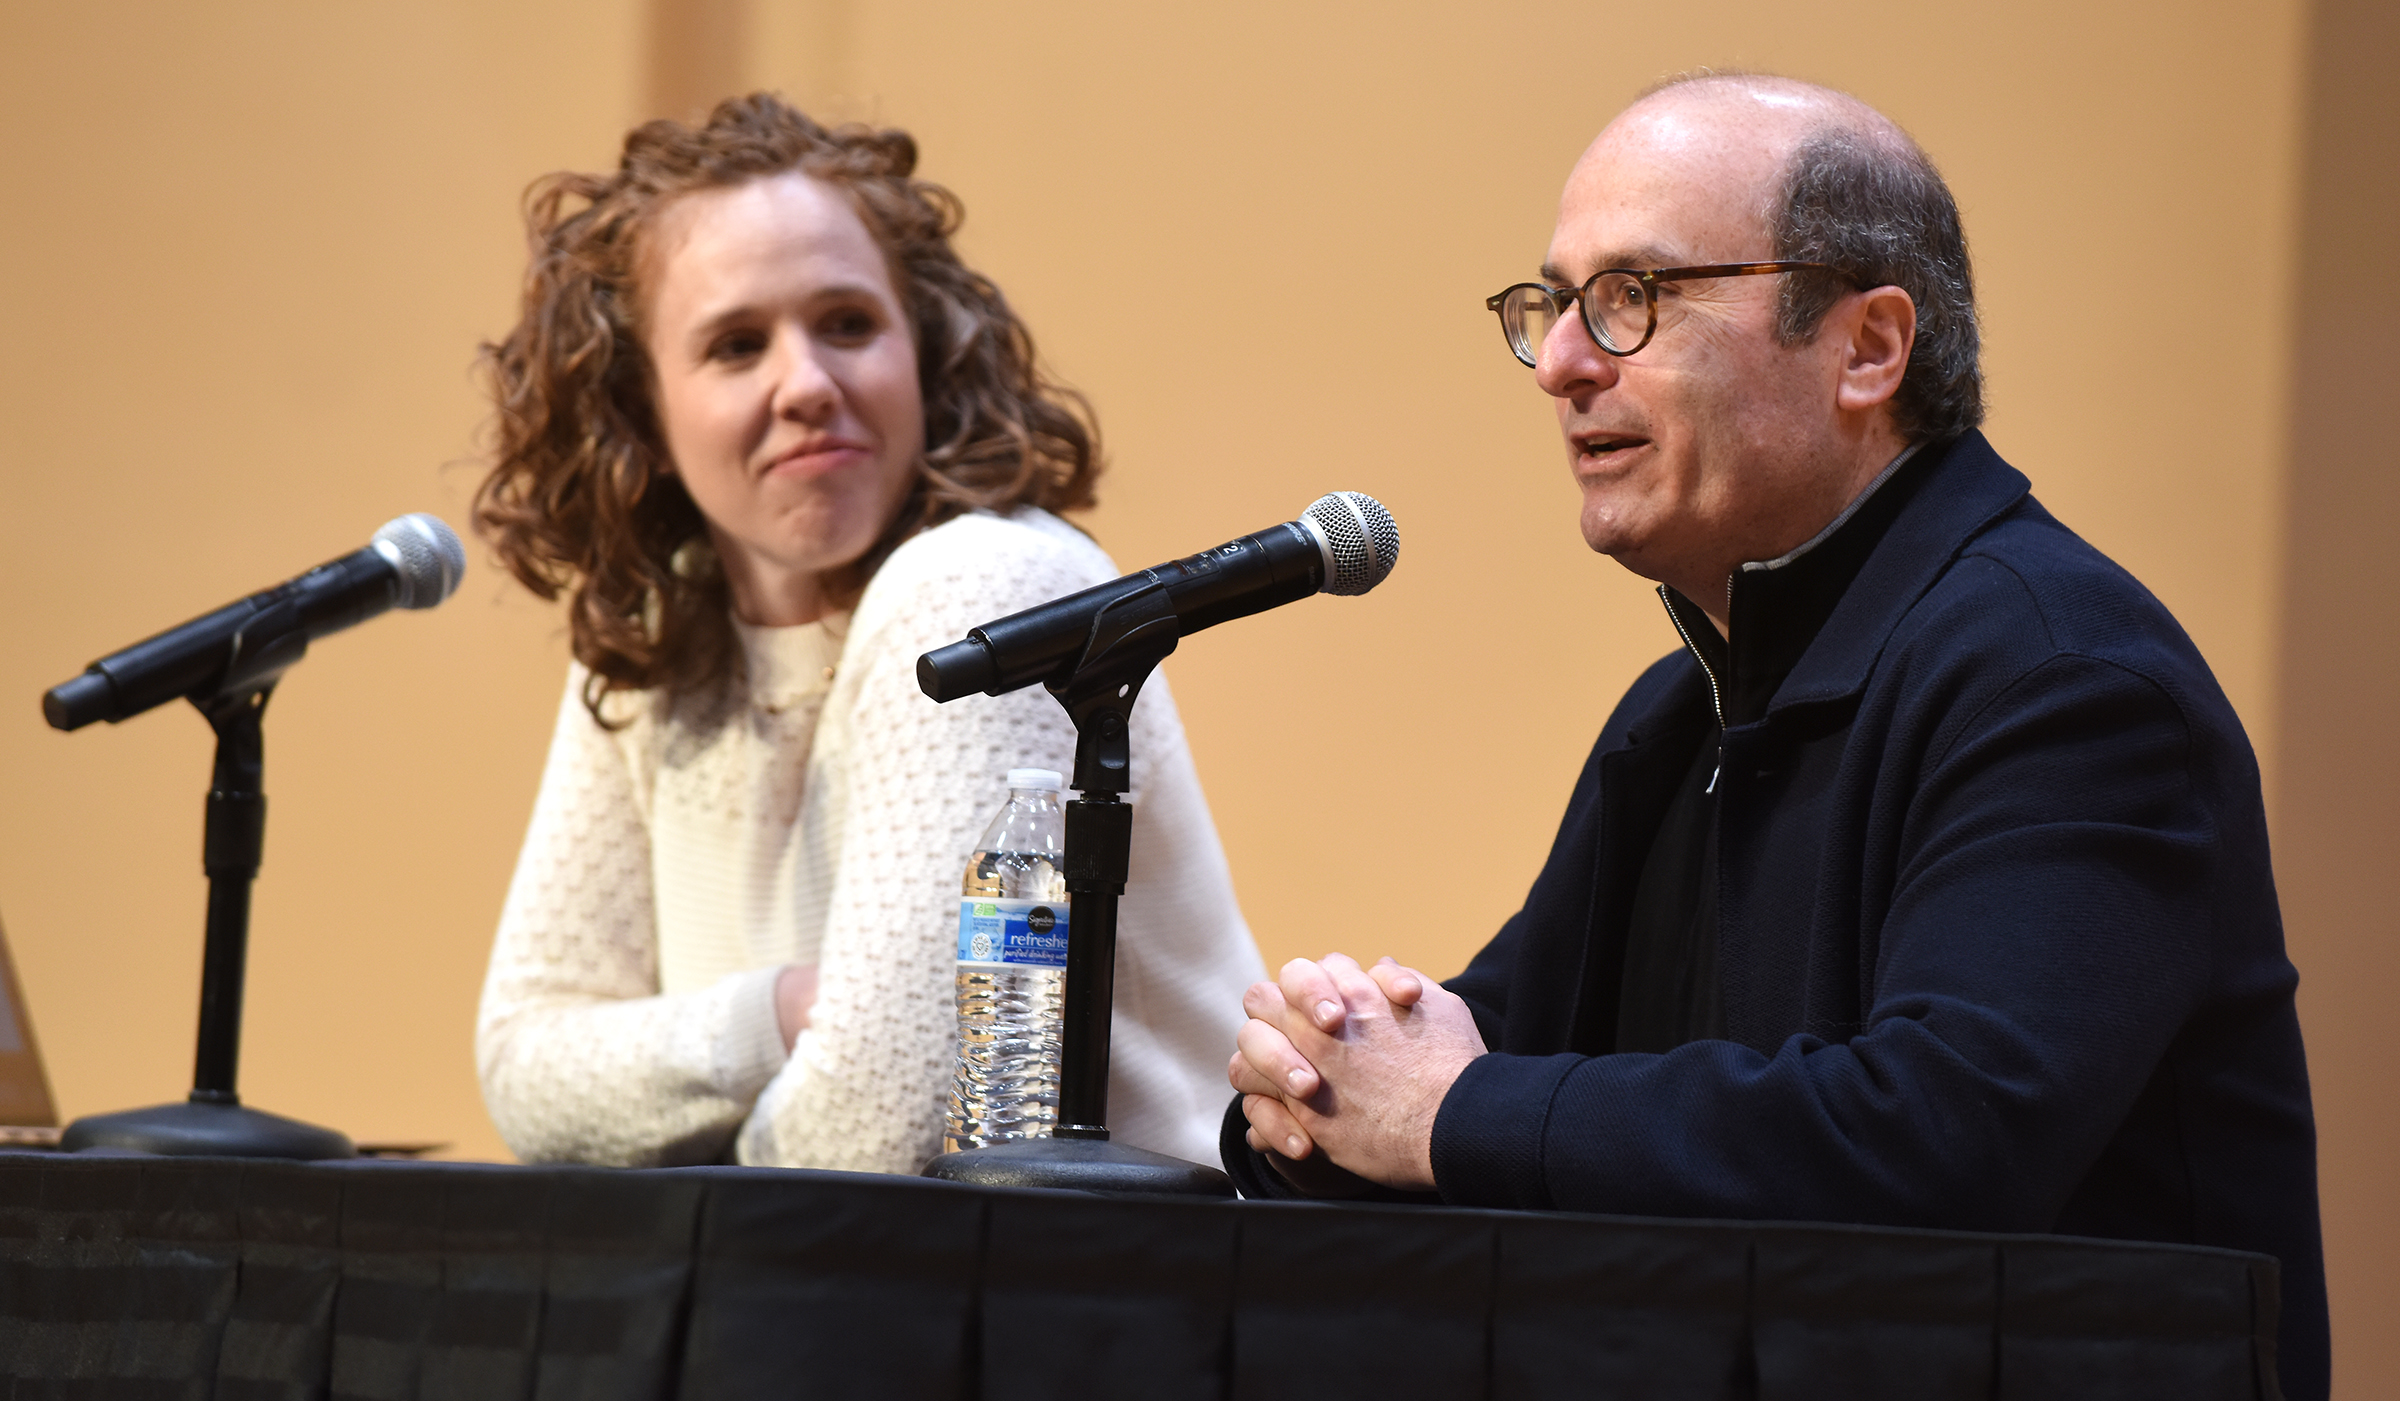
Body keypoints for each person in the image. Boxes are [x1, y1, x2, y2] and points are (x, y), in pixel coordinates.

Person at [1223, 73, 2327, 1398]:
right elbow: (1500, 1049)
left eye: (1635, 296)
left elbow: (1938, 1138)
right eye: (1555, 304)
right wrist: (1318, 1089)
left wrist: (1446, 1111)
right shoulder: (1680, 713)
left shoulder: (2068, 676)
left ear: (1867, 348)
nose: (1567, 361)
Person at [472, 94, 1263, 1175]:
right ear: (640, 418)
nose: (807, 384)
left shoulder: (985, 584)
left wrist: (701, 1137)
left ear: (926, 357)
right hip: (857, 1298)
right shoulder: (656, 634)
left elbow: (890, 1121)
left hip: (1114, 1306)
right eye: (736, 345)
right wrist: (784, 1016)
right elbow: (528, 1069)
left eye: (848, 324)